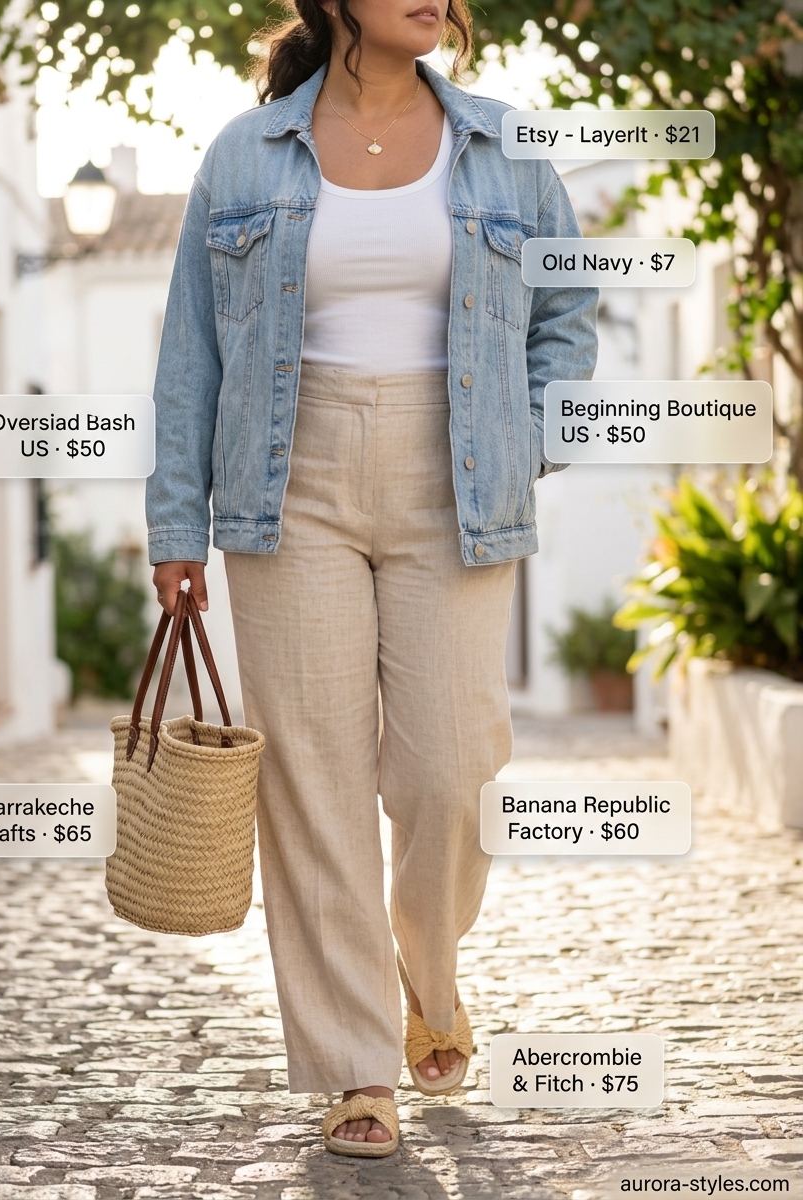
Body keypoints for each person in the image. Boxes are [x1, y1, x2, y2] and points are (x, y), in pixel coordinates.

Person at [146, 0, 597, 1158]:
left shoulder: (503, 145)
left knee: (452, 768)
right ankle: (356, 1065)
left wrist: (523, 433)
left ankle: (427, 978)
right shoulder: (246, 154)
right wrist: (174, 526)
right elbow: (191, 351)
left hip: (454, 476)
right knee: (316, 777)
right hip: (280, 483)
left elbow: (566, 321)